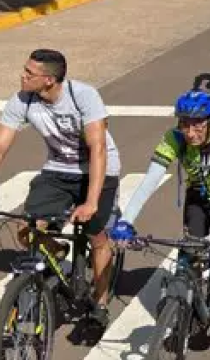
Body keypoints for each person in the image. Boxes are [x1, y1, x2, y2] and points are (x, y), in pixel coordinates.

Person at [0, 49, 121, 326]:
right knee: (27, 230)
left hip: (99, 169)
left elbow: (98, 148)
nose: (22, 75)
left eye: (30, 73)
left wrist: (91, 202)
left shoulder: (83, 96)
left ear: (49, 80)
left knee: (96, 235)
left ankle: (100, 301)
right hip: (58, 169)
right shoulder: (23, 100)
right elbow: (1, 145)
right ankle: (55, 250)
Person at [111, 92, 210, 313]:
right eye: (184, 125)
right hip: (198, 193)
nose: (190, 133)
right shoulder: (174, 138)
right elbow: (149, 182)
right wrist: (126, 221)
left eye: (198, 126)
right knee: (191, 248)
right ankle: (186, 295)